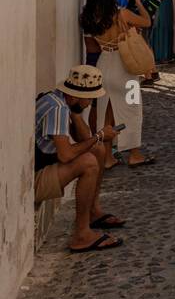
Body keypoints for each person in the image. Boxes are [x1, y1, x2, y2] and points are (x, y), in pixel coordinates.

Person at [35, 65, 124, 253]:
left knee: (98, 150)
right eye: (90, 99)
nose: (90, 103)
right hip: (35, 178)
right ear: (75, 96)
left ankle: (92, 210)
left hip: (45, 165)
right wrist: (99, 135)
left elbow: (85, 140)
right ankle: (82, 235)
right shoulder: (57, 109)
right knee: (89, 163)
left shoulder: (62, 102)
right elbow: (65, 154)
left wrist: (77, 114)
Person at [80, 0, 156, 169]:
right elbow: (147, 22)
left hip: (103, 66)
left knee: (105, 116)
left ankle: (106, 159)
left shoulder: (89, 18)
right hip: (125, 69)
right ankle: (134, 155)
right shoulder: (122, 14)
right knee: (132, 110)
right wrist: (138, 3)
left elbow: (92, 46)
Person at [129, 0, 165, 85]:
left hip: (141, 13)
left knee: (142, 44)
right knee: (147, 42)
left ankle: (148, 76)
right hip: (153, 11)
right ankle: (153, 70)